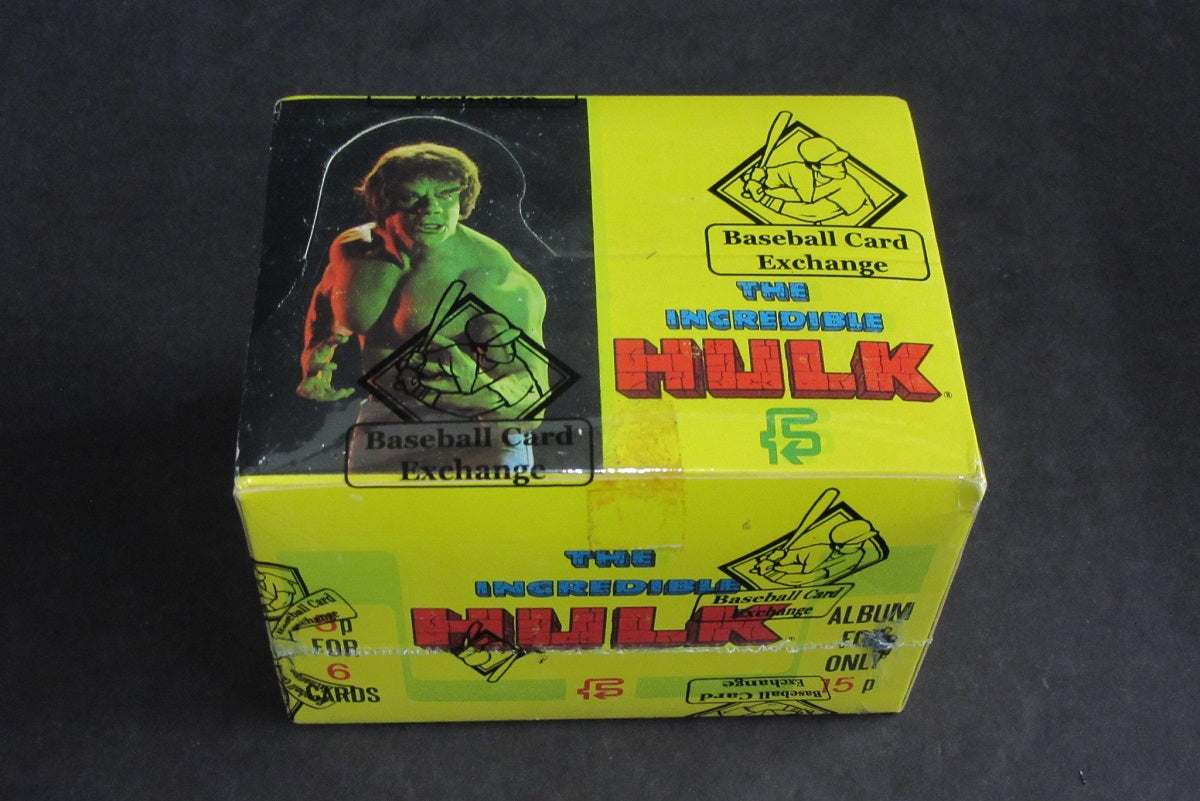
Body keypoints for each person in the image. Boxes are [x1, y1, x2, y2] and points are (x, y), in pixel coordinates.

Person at [297, 143, 548, 420]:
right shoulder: (353, 248)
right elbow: (327, 295)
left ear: (462, 199)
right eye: (410, 196)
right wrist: (314, 356)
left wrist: (479, 395)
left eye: (446, 195)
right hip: (378, 414)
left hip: (464, 427)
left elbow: (533, 402)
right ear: (385, 201)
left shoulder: (490, 276)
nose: (430, 209)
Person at [743, 136, 873, 224]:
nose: (842, 168)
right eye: (834, 165)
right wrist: (755, 178)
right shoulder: (797, 170)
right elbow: (761, 175)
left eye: (841, 162)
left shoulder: (846, 184)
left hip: (862, 220)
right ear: (815, 167)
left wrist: (764, 197)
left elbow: (811, 212)